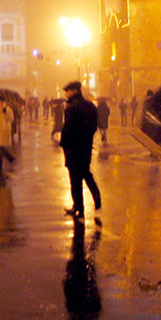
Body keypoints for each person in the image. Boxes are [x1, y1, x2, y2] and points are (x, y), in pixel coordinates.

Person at [60, 81, 101, 220]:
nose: (66, 93)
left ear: (75, 91)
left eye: (68, 91)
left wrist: (64, 143)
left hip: (73, 148)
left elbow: (67, 128)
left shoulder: (71, 107)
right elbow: (94, 126)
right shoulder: (90, 106)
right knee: (85, 173)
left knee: (75, 179)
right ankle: (96, 198)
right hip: (85, 147)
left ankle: (78, 206)